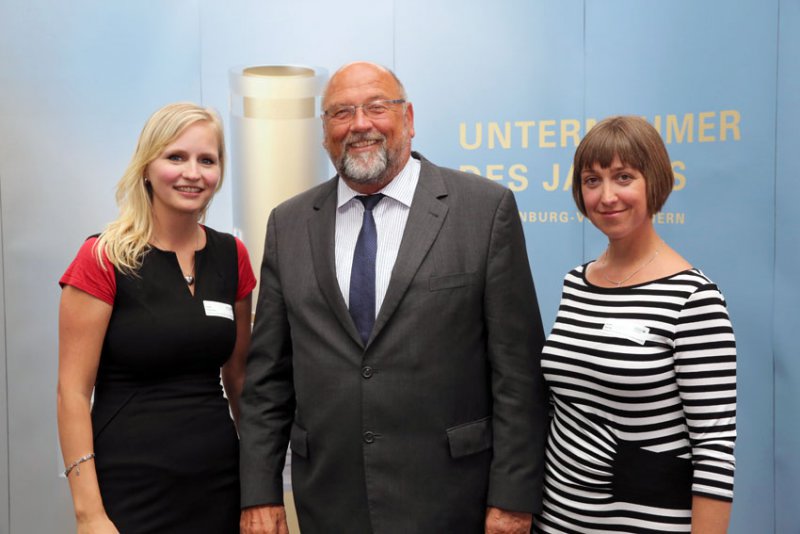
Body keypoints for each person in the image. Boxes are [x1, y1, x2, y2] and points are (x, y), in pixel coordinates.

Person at [238, 61, 548, 534]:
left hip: (453, 500)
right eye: (342, 112)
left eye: (376, 107)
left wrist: (513, 499)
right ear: (324, 131)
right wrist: (260, 491)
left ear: (409, 118)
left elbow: (518, 375)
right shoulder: (289, 223)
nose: (359, 124)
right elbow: (268, 379)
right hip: (330, 501)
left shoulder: (484, 210)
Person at [57, 102, 256, 533]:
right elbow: (72, 393)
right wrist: (89, 514)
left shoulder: (232, 256)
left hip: (220, 486)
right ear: (147, 167)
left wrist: (259, 491)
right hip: (131, 491)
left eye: (207, 160)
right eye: (176, 157)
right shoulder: (104, 257)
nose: (193, 173)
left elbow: (240, 380)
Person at [535, 116, 737, 533]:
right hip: (555, 518)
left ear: (654, 181)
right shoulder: (576, 283)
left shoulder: (693, 299)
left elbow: (714, 449)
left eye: (623, 177)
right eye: (592, 180)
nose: (607, 196)